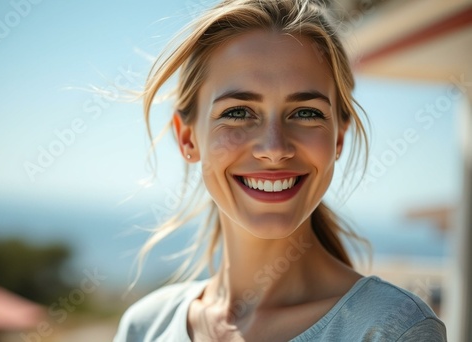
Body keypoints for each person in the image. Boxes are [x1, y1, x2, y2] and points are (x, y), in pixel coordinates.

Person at [114, 0, 447, 340]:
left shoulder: (392, 329)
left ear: (338, 137)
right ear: (187, 138)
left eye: (306, 113)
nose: (274, 149)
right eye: (239, 112)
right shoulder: (144, 327)